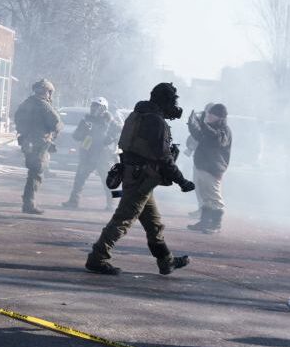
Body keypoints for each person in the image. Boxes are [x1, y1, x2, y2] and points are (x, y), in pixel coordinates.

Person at [84, 82, 193, 276]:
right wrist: (182, 181)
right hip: (141, 179)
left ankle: (165, 260)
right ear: (165, 101)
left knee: (153, 223)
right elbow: (164, 158)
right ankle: (97, 258)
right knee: (123, 220)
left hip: (135, 175)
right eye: (172, 100)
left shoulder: (137, 114)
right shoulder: (156, 122)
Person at [13, 78, 63, 215]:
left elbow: (17, 119)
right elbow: (57, 123)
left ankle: (27, 200)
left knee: (33, 172)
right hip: (39, 143)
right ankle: (29, 203)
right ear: (47, 92)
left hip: (27, 142)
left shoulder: (26, 103)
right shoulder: (43, 105)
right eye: (49, 92)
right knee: (36, 173)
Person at [61, 97, 121, 209]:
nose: (93, 108)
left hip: (103, 156)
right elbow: (76, 136)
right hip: (87, 155)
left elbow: (120, 131)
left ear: (103, 108)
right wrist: (83, 131)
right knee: (79, 179)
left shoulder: (110, 120)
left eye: (96, 106)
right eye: (92, 106)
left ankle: (113, 204)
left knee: (110, 182)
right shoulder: (86, 120)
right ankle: (73, 201)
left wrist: (111, 138)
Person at [185, 103, 232, 234]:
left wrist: (203, 125)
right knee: (205, 197)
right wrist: (192, 124)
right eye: (209, 113)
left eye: (213, 114)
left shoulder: (224, 130)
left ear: (220, 117)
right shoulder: (210, 128)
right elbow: (199, 135)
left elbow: (217, 139)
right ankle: (205, 222)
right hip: (202, 167)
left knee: (215, 198)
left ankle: (216, 224)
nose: (209, 115)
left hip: (213, 169)